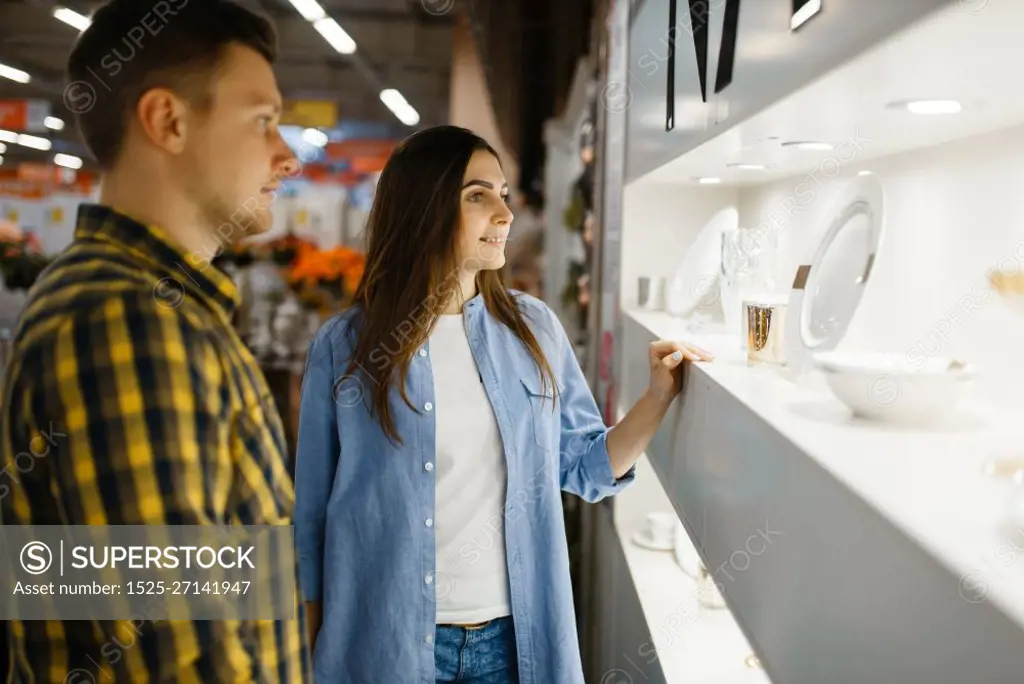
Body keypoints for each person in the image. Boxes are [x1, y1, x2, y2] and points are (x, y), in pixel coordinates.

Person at [294, 125, 713, 684]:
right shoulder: (346, 346)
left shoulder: (533, 328)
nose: (505, 214)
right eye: (477, 195)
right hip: (382, 643)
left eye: (503, 194)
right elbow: (313, 518)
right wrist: (306, 649)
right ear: (422, 208)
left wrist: (658, 397)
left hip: (512, 645)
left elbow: (585, 467)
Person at [0, 1, 309, 681]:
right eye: (263, 122)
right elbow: (179, 656)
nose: (285, 157)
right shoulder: (124, 319)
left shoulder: (150, 309)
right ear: (167, 120)